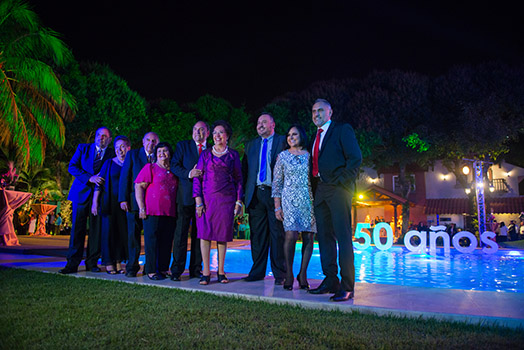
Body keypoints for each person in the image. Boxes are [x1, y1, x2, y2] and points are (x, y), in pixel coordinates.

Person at [308, 99, 362, 302]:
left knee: (343, 237)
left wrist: (341, 182)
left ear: (330, 112)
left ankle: (347, 286)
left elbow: (355, 158)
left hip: (338, 189)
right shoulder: (315, 136)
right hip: (320, 189)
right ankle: (331, 280)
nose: (316, 114)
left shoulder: (342, 130)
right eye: (313, 111)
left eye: (320, 110)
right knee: (324, 237)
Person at [59, 126, 114, 274]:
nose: (100, 138)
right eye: (98, 135)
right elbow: (72, 167)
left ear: (109, 140)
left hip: (100, 198)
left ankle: (92, 263)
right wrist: (89, 178)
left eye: (104, 136)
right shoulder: (83, 148)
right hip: (81, 195)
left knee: (96, 232)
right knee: (77, 230)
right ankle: (72, 264)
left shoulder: (111, 153)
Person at [194, 120, 243, 285]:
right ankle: (206, 272)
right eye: (215, 133)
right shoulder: (205, 154)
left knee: (222, 236)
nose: (217, 136)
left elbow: (238, 179)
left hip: (226, 201)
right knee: (205, 235)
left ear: (227, 136)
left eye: (221, 132)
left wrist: (238, 202)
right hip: (207, 201)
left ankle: (221, 272)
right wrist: (198, 201)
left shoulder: (233, 155)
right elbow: (197, 179)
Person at [242, 113, 287, 284]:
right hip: (256, 195)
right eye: (258, 122)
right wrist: (244, 196)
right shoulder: (251, 145)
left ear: (273, 125)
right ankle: (257, 272)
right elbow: (245, 170)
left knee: (277, 235)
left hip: (275, 194)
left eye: (264, 122)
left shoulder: (282, 141)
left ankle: (280, 274)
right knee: (257, 235)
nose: (260, 125)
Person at [272, 125, 316, 290]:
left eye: (294, 134)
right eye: (288, 135)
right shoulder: (282, 156)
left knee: (309, 237)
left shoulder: (310, 156)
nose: (291, 137)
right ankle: (289, 274)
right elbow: (277, 183)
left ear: (301, 135)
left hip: (308, 200)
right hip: (289, 200)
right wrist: (278, 206)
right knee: (290, 235)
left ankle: (303, 274)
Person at [169, 121, 209, 281]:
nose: (197, 132)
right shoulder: (182, 146)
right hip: (185, 198)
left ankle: (196, 269)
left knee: (200, 235)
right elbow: (173, 165)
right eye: (194, 129)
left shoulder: (212, 149)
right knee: (180, 235)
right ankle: (177, 270)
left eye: (201, 129)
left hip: (205, 200)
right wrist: (188, 173)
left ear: (207, 132)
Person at [135, 142, 179, 280]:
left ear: (170, 154)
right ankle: (151, 270)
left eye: (165, 151)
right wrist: (141, 207)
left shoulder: (174, 170)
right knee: (151, 241)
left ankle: (163, 268)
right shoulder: (151, 168)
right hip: (152, 211)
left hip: (170, 212)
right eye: (159, 151)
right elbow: (139, 187)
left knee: (166, 241)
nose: (162, 153)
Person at [119, 131, 159, 277]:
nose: (151, 143)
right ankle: (132, 267)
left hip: (153, 204)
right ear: (143, 141)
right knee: (133, 236)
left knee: (151, 236)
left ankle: (150, 268)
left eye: (154, 141)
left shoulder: (159, 156)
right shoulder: (133, 155)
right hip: (133, 202)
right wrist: (123, 199)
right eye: (148, 140)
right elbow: (125, 176)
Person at [92, 135, 131, 274]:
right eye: (116, 147)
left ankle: (119, 263)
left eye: (122, 147)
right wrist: (95, 202)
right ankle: (109, 263)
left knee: (122, 233)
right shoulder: (108, 163)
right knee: (108, 233)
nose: (119, 150)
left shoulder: (131, 163)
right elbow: (99, 184)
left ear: (128, 148)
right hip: (108, 203)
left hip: (125, 205)